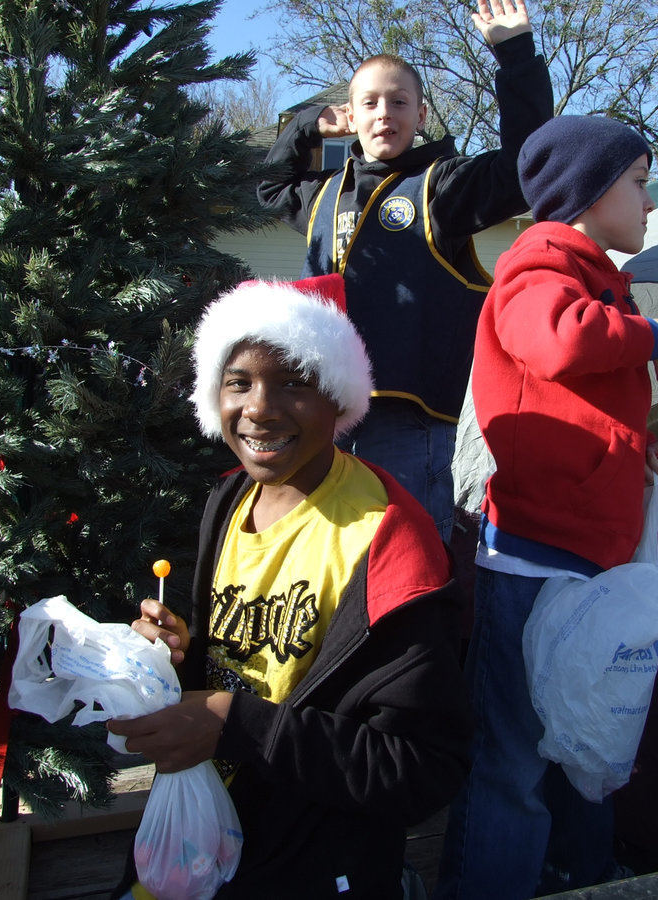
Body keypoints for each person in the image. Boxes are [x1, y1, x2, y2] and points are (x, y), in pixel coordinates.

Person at [107, 274, 471, 899]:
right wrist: (178, 656)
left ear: (338, 396)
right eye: (239, 382)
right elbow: (232, 667)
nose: (260, 408)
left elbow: (419, 769)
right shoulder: (229, 498)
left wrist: (236, 724)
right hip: (203, 837)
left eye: (295, 382)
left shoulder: (389, 545)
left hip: (310, 866)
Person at [433, 115, 658, 900]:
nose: (651, 202)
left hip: (590, 555)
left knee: (578, 734)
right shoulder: (539, 262)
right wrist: (657, 333)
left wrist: (636, 452)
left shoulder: (596, 279)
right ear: (588, 191)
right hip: (535, 556)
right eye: (640, 182)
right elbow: (557, 341)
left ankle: (578, 874)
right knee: (514, 755)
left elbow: (575, 404)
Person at [256, 0, 553, 541]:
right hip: (320, 412)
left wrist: (515, 53)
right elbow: (272, 186)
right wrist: (307, 124)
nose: (384, 113)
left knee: (410, 553)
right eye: (369, 103)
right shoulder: (325, 196)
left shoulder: (442, 187)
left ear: (421, 115)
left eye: (399, 101)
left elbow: (524, 166)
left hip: (408, 419)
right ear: (351, 116)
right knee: (325, 551)